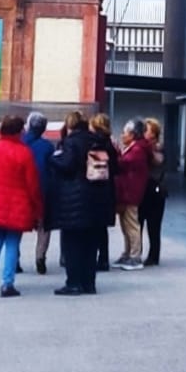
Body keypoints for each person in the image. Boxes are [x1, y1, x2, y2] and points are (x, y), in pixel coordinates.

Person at [0, 115, 41, 298]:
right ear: (19, 131)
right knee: (12, 244)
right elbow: (32, 185)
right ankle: (7, 284)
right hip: (17, 206)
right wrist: (37, 208)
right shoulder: (24, 153)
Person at [49, 109, 114, 295]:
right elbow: (114, 166)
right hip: (98, 199)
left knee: (72, 244)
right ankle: (89, 283)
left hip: (75, 201)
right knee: (91, 244)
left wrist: (52, 160)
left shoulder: (71, 142)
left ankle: (74, 283)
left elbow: (68, 165)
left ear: (69, 125)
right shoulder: (100, 141)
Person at [113, 119, 152, 270]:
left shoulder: (138, 150)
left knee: (132, 225)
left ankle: (135, 256)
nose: (122, 135)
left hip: (131, 192)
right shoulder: (133, 147)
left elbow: (123, 163)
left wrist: (116, 151)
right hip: (126, 191)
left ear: (133, 134)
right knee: (125, 226)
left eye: (125, 132)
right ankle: (128, 253)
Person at [88, 112, 122, 277]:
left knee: (93, 226)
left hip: (94, 187)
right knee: (102, 228)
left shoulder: (93, 143)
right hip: (107, 188)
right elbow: (116, 168)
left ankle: (94, 258)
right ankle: (104, 258)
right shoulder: (111, 144)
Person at [23, 112, 56, 274]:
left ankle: (14, 258)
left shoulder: (20, 143)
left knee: (17, 226)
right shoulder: (48, 146)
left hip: (22, 190)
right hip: (43, 189)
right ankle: (40, 256)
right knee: (44, 226)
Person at [139, 117, 168, 267]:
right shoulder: (141, 146)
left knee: (154, 226)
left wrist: (148, 150)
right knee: (138, 224)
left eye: (147, 130)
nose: (144, 133)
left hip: (155, 192)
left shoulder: (157, 148)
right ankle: (137, 252)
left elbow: (158, 161)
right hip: (143, 191)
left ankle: (153, 255)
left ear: (154, 133)